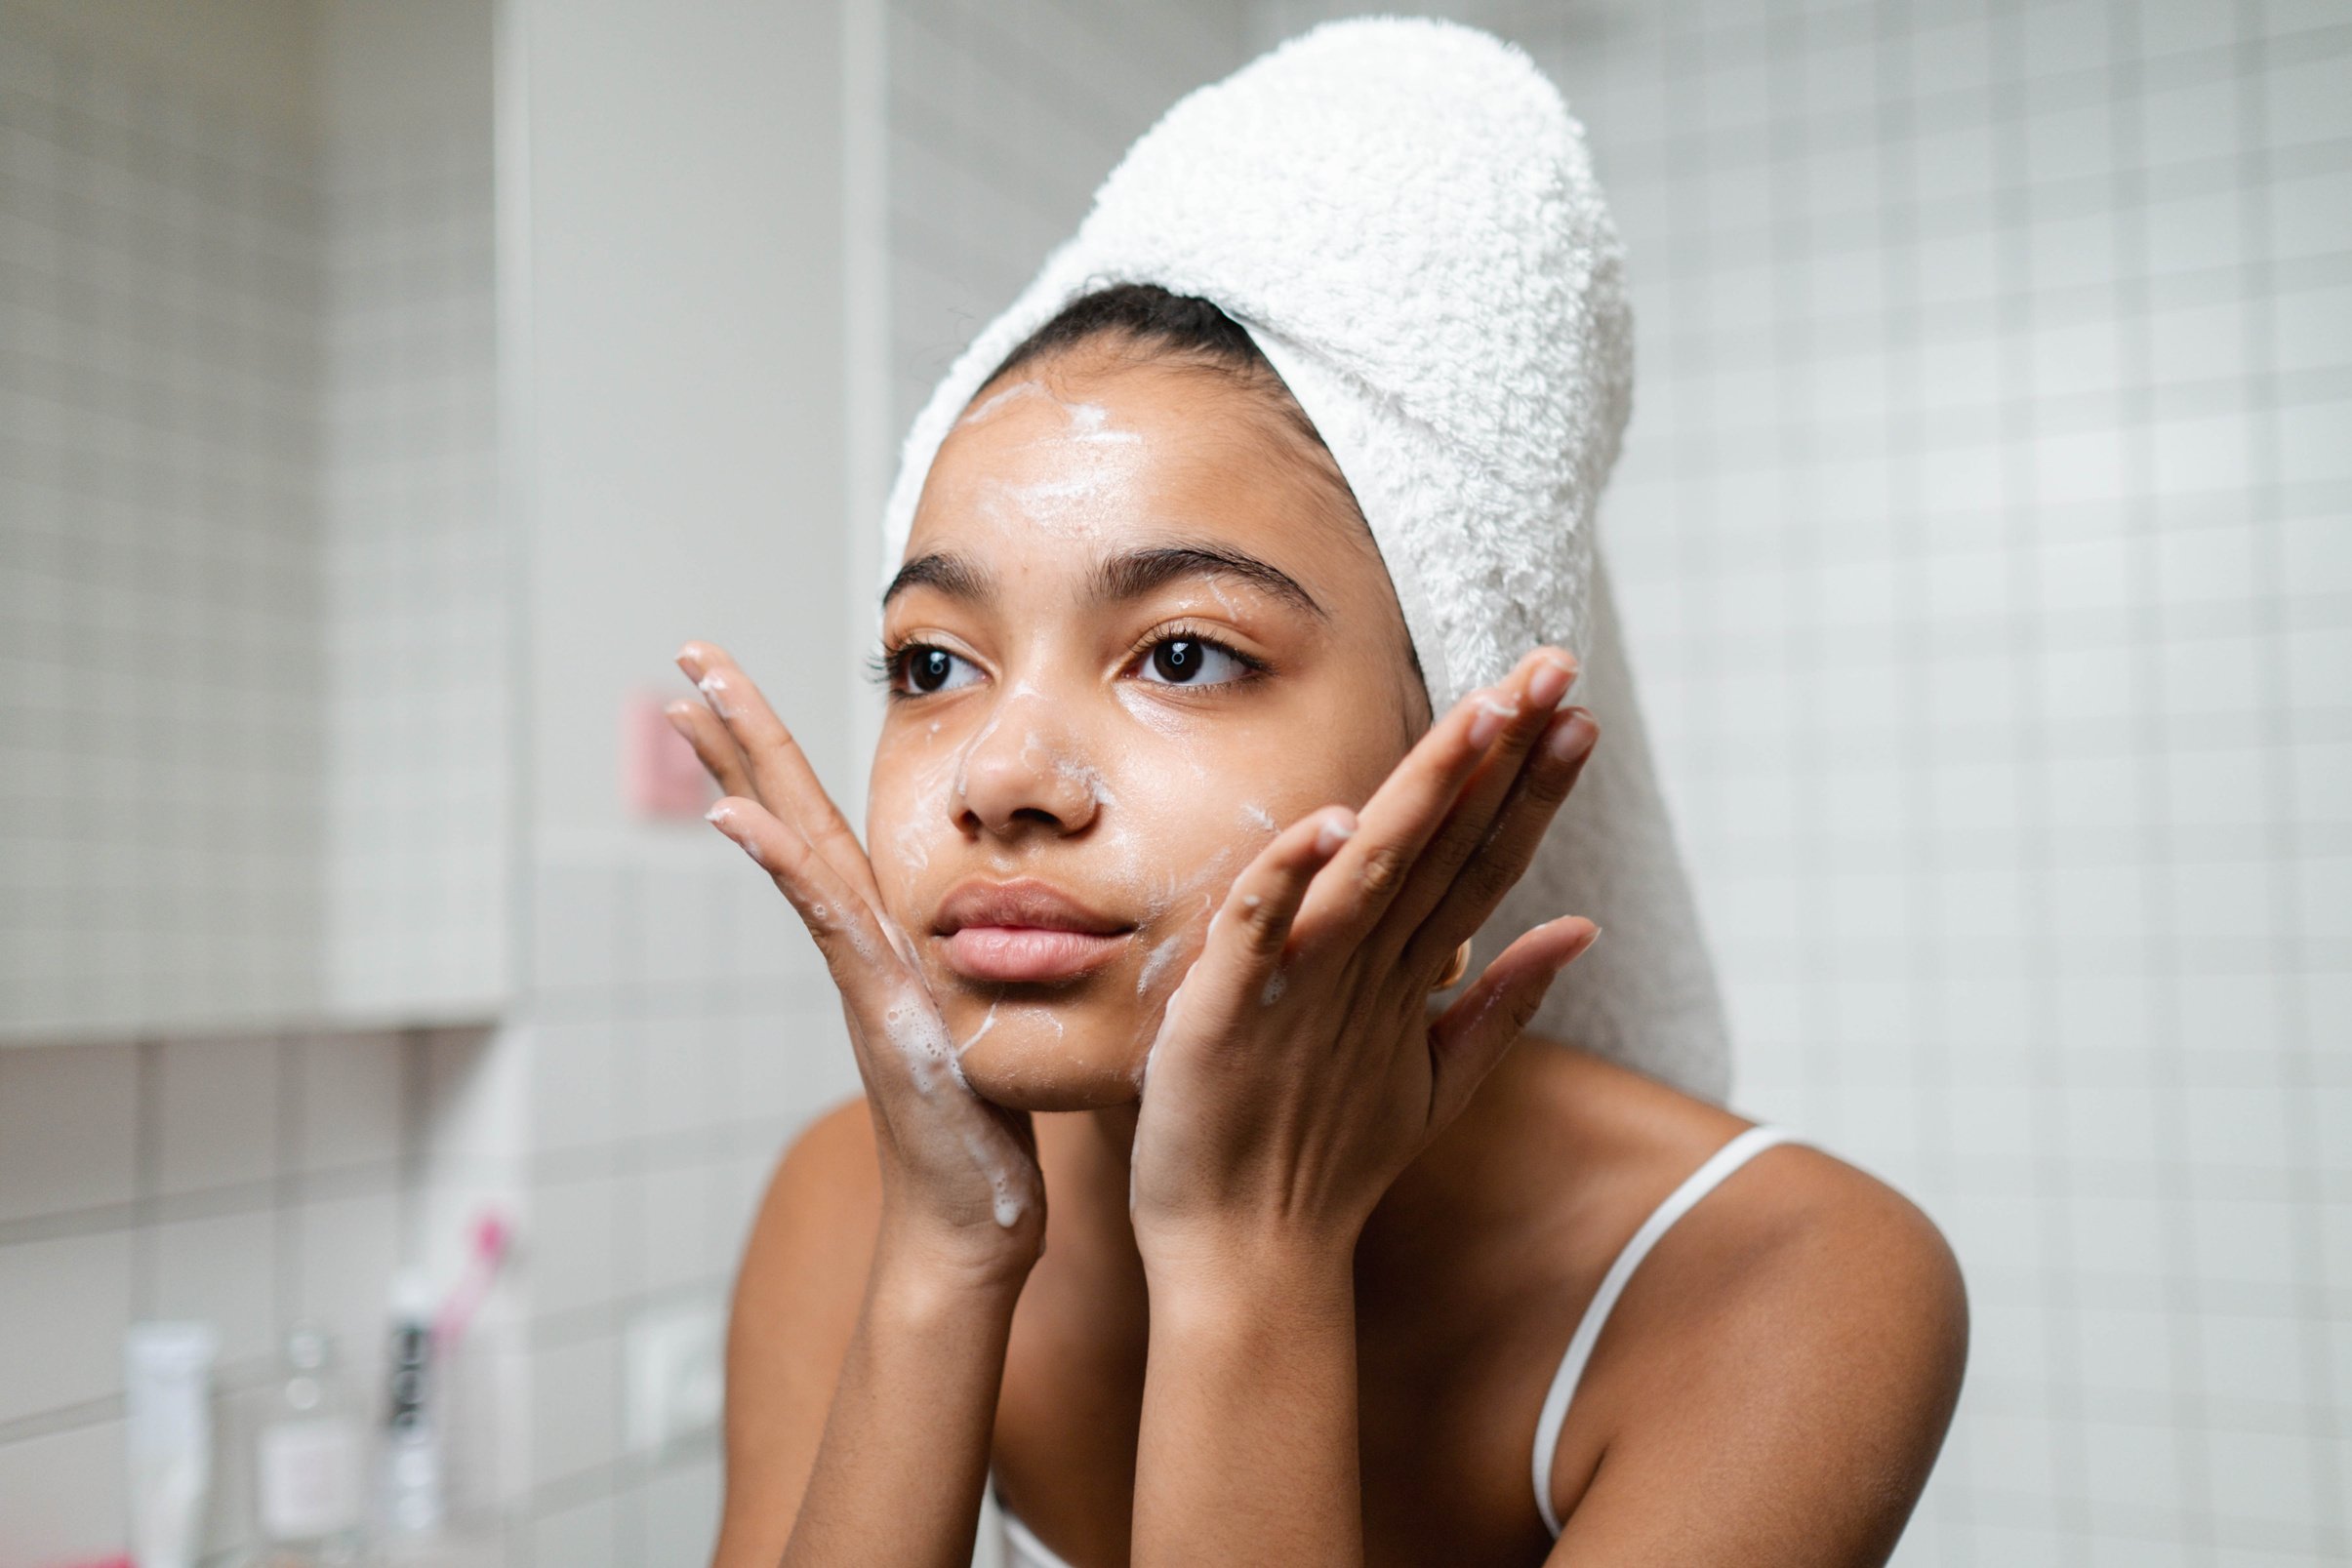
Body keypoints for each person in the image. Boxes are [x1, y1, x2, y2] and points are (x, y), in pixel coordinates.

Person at [675, 21, 1966, 1567]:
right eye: (933, 666)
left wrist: (1247, 1264)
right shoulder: (864, 1202)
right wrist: (946, 1262)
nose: (1001, 778)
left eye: (1181, 654)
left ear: (1465, 755)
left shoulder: (1784, 1283)